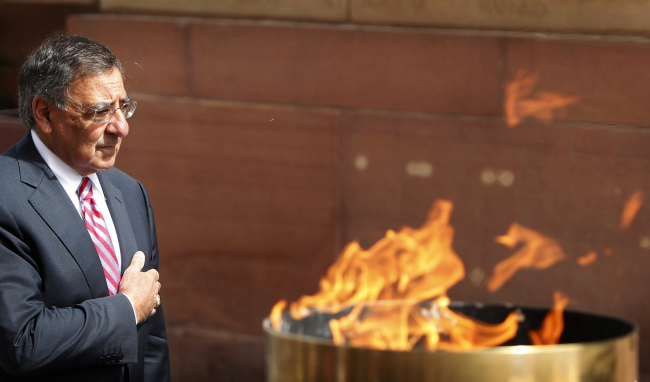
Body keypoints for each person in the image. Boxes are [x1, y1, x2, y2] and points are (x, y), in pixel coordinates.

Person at [0, 34, 170, 381]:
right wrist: (125, 310)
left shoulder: (130, 191)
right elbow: (22, 341)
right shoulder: (6, 197)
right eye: (100, 112)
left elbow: (152, 339)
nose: (121, 127)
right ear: (45, 113)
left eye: (124, 106)